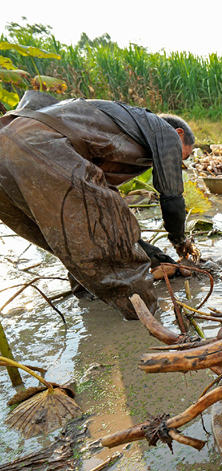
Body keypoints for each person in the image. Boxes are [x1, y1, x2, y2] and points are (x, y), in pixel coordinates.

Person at [0, 90, 199, 320]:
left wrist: (146, 250)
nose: (179, 162)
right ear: (179, 134)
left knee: (74, 244)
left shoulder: (115, 128)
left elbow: (99, 218)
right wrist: (179, 240)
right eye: (183, 156)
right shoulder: (165, 132)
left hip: (6, 144)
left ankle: (93, 312)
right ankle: (144, 328)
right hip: (41, 145)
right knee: (126, 274)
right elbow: (171, 198)